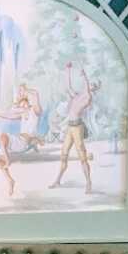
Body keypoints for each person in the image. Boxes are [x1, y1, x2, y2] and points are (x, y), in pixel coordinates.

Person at [50, 63, 97, 194]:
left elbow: (87, 90)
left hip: (77, 127)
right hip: (70, 127)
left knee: (82, 155)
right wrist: (67, 71)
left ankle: (88, 183)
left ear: (93, 89)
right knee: (64, 153)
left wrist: (86, 77)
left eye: (92, 86)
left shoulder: (87, 98)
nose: (89, 86)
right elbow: (68, 87)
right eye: (90, 84)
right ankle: (58, 180)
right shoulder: (76, 96)